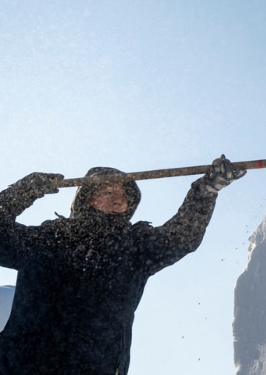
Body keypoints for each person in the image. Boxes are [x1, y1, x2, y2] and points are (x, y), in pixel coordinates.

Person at [0, 155, 246, 375]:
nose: (118, 199)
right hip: (23, 363)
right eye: (108, 192)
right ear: (87, 199)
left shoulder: (135, 247)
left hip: (98, 367)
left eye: (124, 196)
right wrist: (23, 192)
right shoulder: (50, 240)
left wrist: (204, 192)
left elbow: (182, 237)